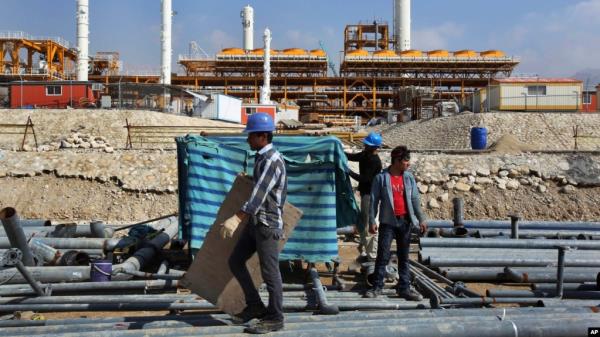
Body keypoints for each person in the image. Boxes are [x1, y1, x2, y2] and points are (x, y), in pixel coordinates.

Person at [219, 112, 287, 334]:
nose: (248, 139)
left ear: (262, 137)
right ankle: (255, 306)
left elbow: (258, 196)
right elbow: (261, 187)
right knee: (236, 261)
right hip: (257, 224)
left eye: (251, 136)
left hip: (267, 225)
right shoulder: (261, 158)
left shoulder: (271, 160)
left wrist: (237, 217)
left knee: (270, 272)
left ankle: (276, 317)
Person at [364, 145, 427, 300]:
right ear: (397, 161)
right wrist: (372, 220)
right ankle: (377, 287)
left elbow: (415, 199)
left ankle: (404, 287)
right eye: (406, 161)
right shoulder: (381, 178)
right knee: (383, 255)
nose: (408, 164)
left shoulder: (409, 177)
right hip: (387, 223)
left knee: (404, 256)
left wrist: (421, 219)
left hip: (405, 222)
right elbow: (374, 201)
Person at [345, 132, 383, 260]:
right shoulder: (365, 155)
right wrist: (341, 152)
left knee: (368, 222)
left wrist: (349, 172)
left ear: (374, 147)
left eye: (367, 145)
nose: (365, 146)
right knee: (363, 221)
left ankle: (371, 254)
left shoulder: (375, 161)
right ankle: (365, 248)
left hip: (371, 194)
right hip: (365, 192)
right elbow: (353, 157)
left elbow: (365, 179)